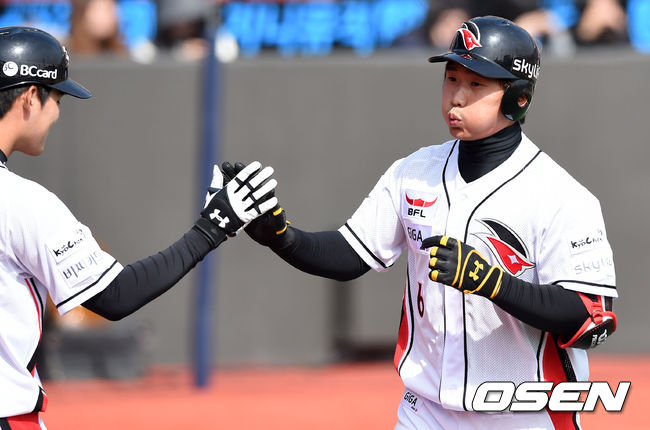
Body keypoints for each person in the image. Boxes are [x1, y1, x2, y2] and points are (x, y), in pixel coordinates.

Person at [229, 16, 618, 429]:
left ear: (518, 98)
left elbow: (589, 318)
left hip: (523, 415)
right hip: (425, 413)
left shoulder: (560, 196)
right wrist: (283, 238)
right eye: (452, 79)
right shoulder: (414, 171)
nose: (457, 97)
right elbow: (350, 254)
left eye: (476, 84)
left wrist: (492, 283)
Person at [0, 26, 278, 429]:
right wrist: (212, 228)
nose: (57, 113)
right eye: (56, 98)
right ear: (29, 97)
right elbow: (115, 296)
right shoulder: (22, 201)